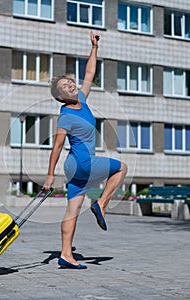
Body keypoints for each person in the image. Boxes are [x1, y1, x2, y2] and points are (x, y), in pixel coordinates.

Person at [42, 32, 127, 269]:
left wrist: (94, 47)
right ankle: (101, 204)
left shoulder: (82, 98)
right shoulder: (66, 116)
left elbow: (89, 73)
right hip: (82, 163)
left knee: (72, 210)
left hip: (74, 167)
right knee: (121, 168)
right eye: (65, 87)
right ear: (61, 97)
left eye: (70, 82)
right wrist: (50, 176)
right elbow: (57, 147)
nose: (70, 85)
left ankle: (66, 255)